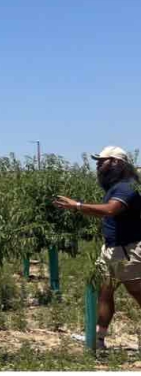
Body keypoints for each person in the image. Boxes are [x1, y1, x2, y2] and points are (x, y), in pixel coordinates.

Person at [54, 146, 141, 350]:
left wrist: (77, 206)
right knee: (104, 293)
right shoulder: (115, 187)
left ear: (116, 163)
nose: (98, 165)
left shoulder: (125, 188)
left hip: (129, 251)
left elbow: (110, 210)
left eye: (102, 161)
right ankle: (98, 339)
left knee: (138, 294)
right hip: (112, 250)